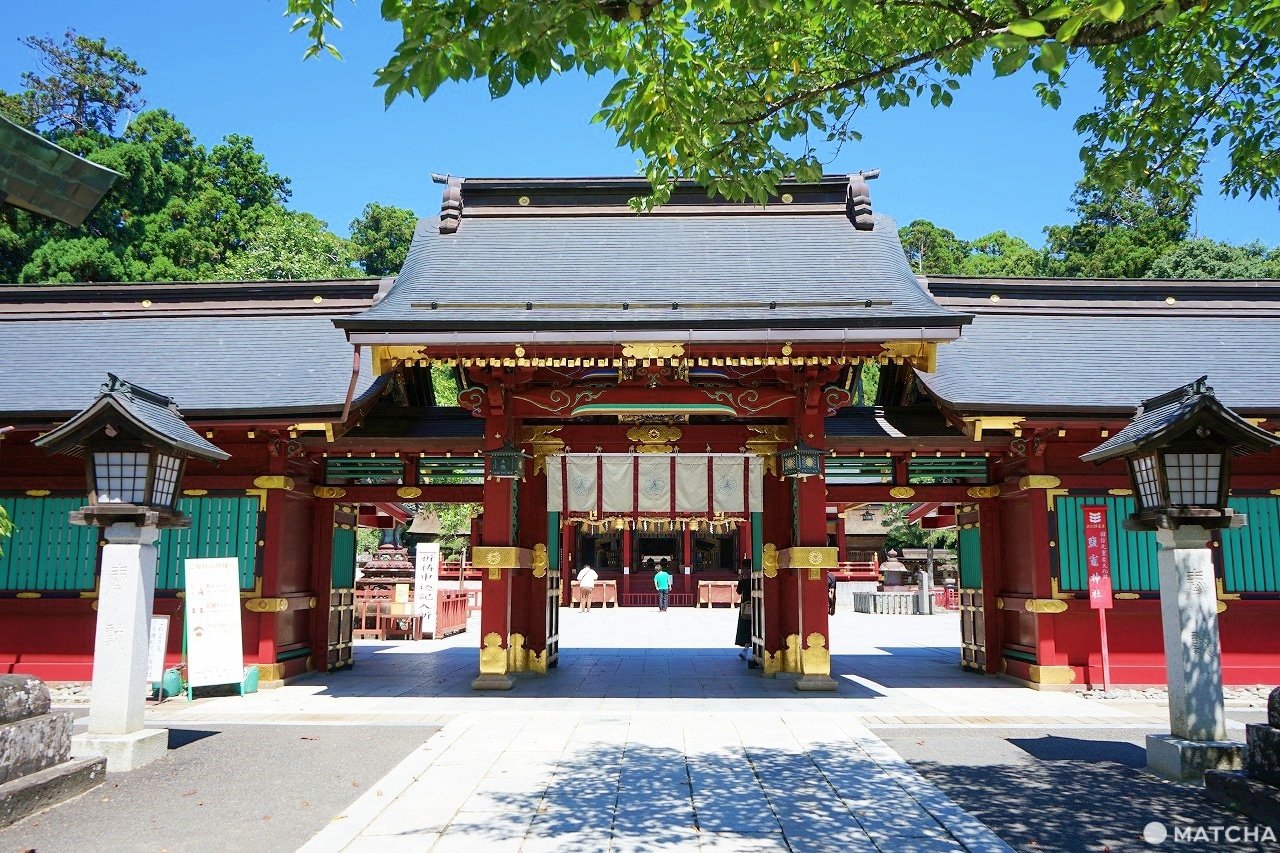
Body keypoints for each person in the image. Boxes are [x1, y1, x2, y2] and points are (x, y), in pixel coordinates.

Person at [735, 565, 756, 667]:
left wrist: (741, 580)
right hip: (753, 607)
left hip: (747, 607)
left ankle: (746, 650)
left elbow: (739, 591)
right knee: (750, 627)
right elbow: (739, 591)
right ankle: (748, 650)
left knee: (748, 627)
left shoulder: (746, 580)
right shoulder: (755, 579)